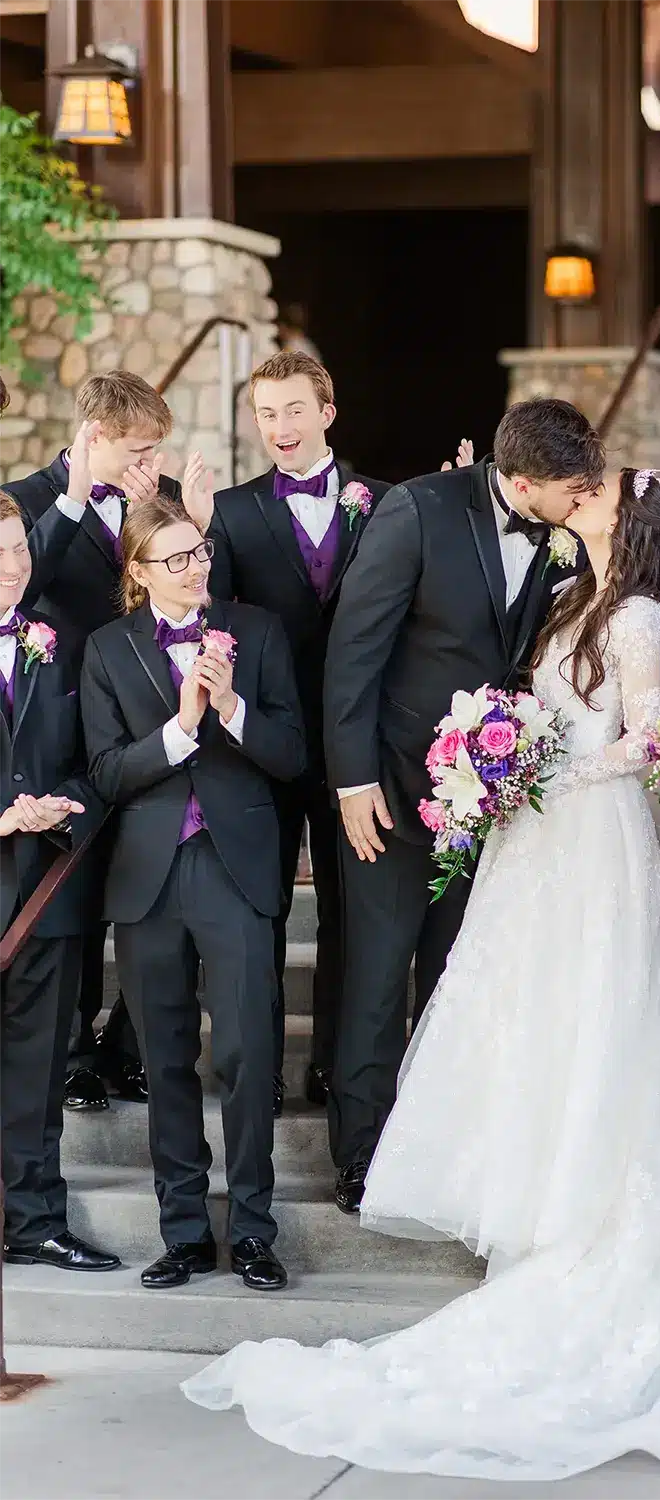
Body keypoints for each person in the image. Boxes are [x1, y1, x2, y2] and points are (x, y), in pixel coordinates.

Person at [182, 471, 660, 1479]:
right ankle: (534, 1188)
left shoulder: (641, 616)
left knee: (603, 1002)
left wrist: (549, 769)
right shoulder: (569, 594)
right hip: (536, 834)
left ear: (630, 517)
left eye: (603, 491)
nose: (587, 494)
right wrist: (502, 754)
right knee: (529, 1009)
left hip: (591, 831)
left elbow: (650, 740)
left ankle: (595, 1196)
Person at [323, 399, 599, 1213]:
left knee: (456, 978)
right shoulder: (417, 511)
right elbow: (353, 652)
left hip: (500, 799)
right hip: (396, 789)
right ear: (521, 482)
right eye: (569, 488)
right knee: (377, 980)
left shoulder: (569, 534)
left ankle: (438, 1149)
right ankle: (361, 1156)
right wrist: (352, 783)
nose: (581, 500)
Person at [80, 497, 306, 1291]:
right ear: (138, 573)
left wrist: (235, 707)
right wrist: (180, 728)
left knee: (247, 1055)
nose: (196, 567)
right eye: (175, 558)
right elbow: (106, 772)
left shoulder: (261, 630)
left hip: (237, 866)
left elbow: (292, 755)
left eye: (200, 551)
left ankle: (251, 1230)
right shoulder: (107, 649)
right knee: (166, 1059)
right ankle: (182, 1231)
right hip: (148, 877)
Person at [180, 351, 390, 1118]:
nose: (279, 429)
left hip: (354, 749)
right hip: (260, 743)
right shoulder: (232, 513)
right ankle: (256, 1069)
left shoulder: (387, 503)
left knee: (346, 911)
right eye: (265, 414)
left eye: (294, 410)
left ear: (327, 412)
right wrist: (199, 538)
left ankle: (334, 1069)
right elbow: (214, 623)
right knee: (259, 911)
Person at [7, 372, 183, 1113]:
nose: (152, 460)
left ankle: (129, 1048)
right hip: (61, 732)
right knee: (70, 895)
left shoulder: (160, 494)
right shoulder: (29, 500)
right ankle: (75, 1052)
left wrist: (164, 512)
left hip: (146, 725)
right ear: (96, 436)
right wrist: (76, 501)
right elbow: (19, 584)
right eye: (138, 446)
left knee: (148, 891)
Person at [0, 490, 119, 1274]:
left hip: (44, 890)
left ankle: (33, 1219)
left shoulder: (61, 643)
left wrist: (62, 806)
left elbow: (101, 757)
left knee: (38, 1071)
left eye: (18, 549)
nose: (13, 568)